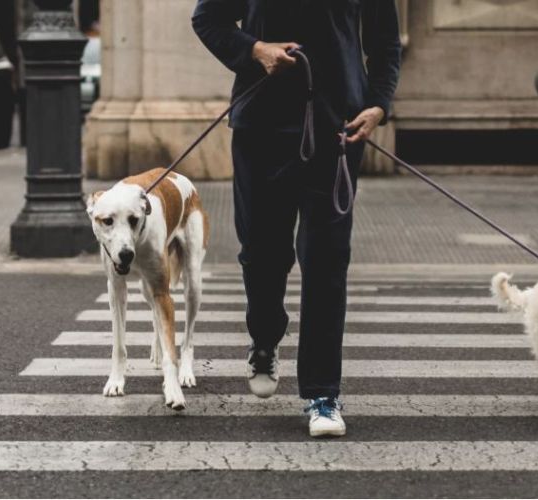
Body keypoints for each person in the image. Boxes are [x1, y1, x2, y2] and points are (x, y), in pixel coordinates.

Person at [192, 0, 401, 437]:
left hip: (337, 130)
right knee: (262, 253)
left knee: (326, 261)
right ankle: (265, 338)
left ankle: (322, 394)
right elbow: (207, 19)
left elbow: (384, 44)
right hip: (261, 129)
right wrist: (255, 50)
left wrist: (378, 103)